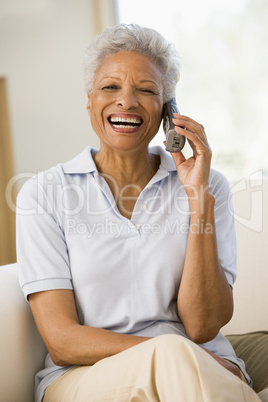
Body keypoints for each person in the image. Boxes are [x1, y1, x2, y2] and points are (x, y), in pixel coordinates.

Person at [16, 24, 261, 402]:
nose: (126, 102)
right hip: (86, 375)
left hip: (199, 365)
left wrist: (198, 202)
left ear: (168, 111)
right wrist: (171, 352)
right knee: (174, 356)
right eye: (110, 87)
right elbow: (63, 341)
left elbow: (201, 325)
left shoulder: (208, 187)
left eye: (146, 90)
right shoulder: (44, 193)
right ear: (89, 100)